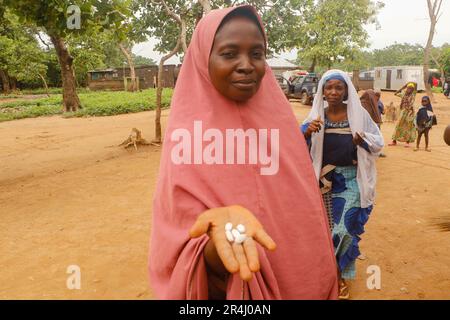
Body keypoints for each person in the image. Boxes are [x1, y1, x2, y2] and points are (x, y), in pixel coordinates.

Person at [148, 6, 338, 300]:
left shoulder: (282, 125)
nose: (246, 65)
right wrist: (218, 236)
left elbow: (305, 214)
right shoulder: (187, 138)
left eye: (257, 54)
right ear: (203, 58)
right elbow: (180, 247)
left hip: (299, 283)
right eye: (229, 53)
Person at [302, 70, 384, 300]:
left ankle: (338, 275)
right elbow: (296, 144)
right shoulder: (317, 116)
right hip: (324, 181)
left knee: (344, 229)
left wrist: (363, 140)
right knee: (326, 232)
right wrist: (306, 133)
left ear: (346, 90)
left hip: (352, 179)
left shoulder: (358, 115)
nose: (334, 92)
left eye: (339, 87)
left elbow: (378, 142)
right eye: (329, 88)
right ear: (322, 91)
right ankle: (331, 271)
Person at [389, 82, 418, 147]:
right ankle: (394, 141)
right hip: (403, 112)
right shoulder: (403, 94)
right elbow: (395, 93)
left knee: (408, 127)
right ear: (406, 88)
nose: (409, 90)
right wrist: (403, 87)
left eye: (411, 89)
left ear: (413, 90)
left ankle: (407, 142)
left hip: (410, 113)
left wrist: (408, 84)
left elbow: (416, 84)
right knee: (398, 125)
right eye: (408, 88)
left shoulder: (413, 95)